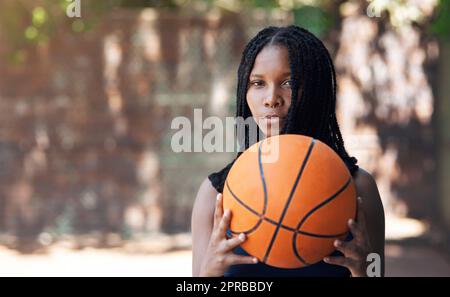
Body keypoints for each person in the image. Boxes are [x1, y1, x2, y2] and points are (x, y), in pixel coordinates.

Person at [191, 25, 385, 277]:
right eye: (258, 83)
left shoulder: (358, 188)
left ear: (316, 90)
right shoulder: (215, 195)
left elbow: (375, 273)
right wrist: (208, 273)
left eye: (288, 82)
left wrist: (364, 272)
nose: (272, 98)